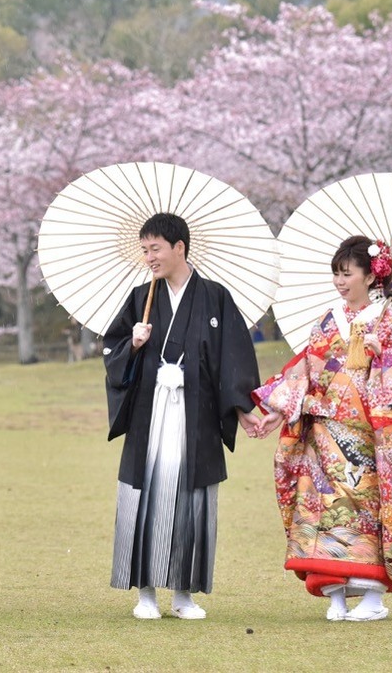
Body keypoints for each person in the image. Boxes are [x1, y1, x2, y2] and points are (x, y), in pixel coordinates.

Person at [246, 235, 392, 622]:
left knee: (365, 513)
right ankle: (335, 592)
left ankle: (372, 596)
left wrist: (383, 356)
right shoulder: (328, 321)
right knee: (324, 512)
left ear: (370, 276)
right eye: (336, 274)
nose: (340, 282)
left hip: (367, 436)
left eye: (347, 274)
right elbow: (304, 368)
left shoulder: (388, 321)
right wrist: (276, 410)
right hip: (324, 433)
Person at [103, 212, 261, 620]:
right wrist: (133, 345)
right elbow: (111, 349)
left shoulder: (215, 297)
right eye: (144, 250)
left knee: (191, 497)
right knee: (149, 493)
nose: (149, 257)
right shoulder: (141, 297)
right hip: (150, 412)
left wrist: (243, 409)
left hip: (196, 415)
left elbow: (233, 358)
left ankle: (184, 594)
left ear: (179, 248)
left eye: (155, 249)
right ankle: (146, 594)